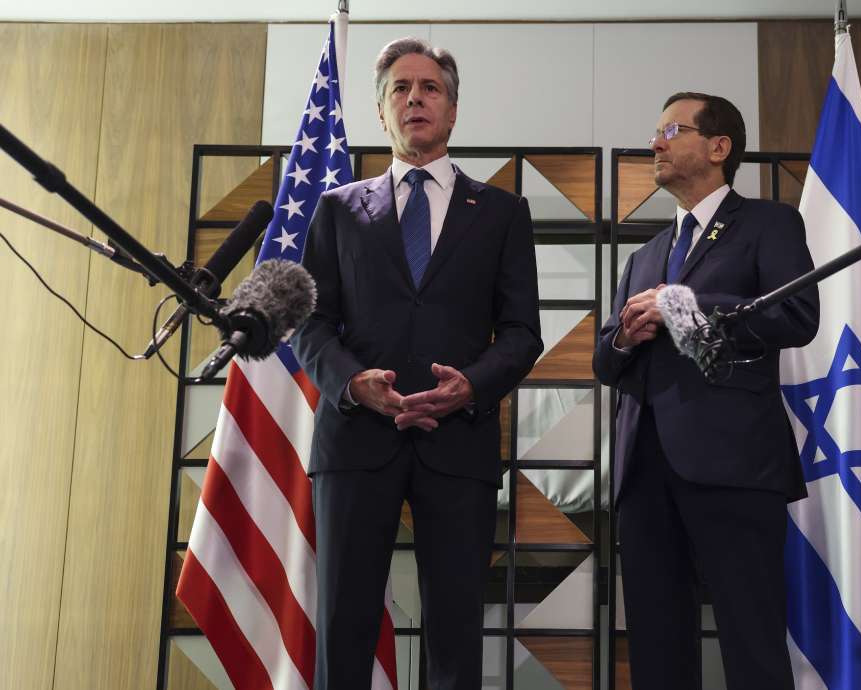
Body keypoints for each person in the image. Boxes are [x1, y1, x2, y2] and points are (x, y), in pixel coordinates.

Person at [292, 37, 542, 690]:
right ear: (382, 113)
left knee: (456, 629)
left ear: (453, 110)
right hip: (354, 440)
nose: (415, 98)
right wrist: (350, 383)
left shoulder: (503, 213)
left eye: (429, 88)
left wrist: (471, 387)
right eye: (400, 89)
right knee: (344, 624)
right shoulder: (338, 209)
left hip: (457, 439)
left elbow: (521, 334)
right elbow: (310, 323)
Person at [593, 92, 820, 689]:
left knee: (752, 642)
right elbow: (605, 359)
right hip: (644, 470)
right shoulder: (645, 255)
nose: (656, 142)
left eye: (672, 128)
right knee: (657, 649)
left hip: (736, 467)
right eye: (657, 131)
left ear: (719, 148)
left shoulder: (770, 223)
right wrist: (625, 338)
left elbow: (797, 315)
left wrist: (684, 306)